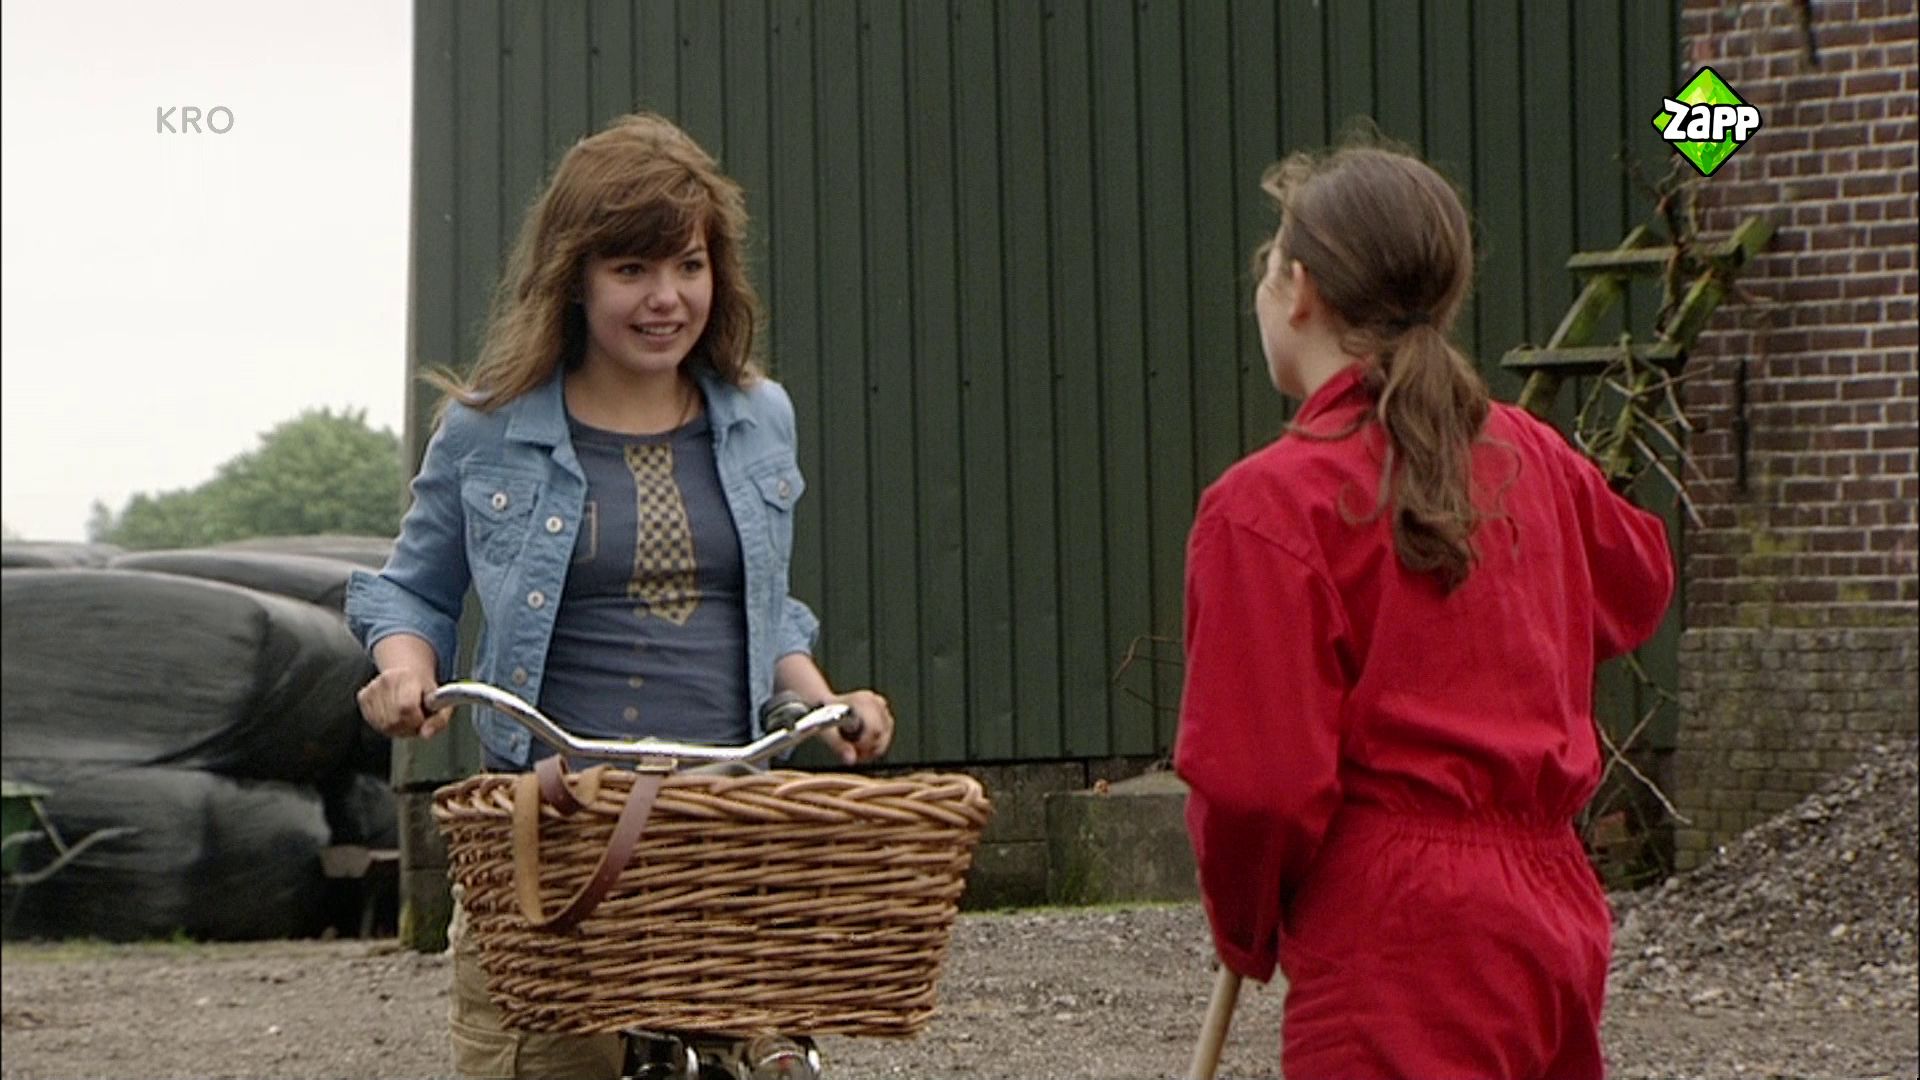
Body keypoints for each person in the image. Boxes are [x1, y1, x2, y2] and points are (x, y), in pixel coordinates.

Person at [344, 111, 895, 1080]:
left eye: (688, 265)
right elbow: (413, 593)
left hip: (720, 834)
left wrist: (823, 702)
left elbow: (764, 610)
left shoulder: (760, 418)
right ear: (575, 278)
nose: (665, 298)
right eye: (631, 269)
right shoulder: (488, 429)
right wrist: (403, 673)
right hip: (549, 833)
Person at [1174, 145, 1675, 1079]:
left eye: (1267, 265)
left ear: (1300, 289)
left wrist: (1246, 924)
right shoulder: (1528, 455)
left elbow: (1257, 786)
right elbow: (1638, 579)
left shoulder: (1271, 505)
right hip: (1550, 921)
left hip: (1397, 936)